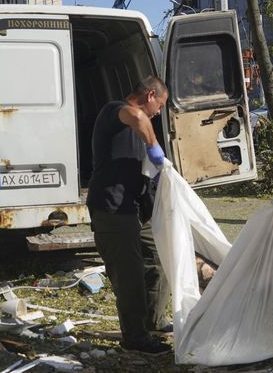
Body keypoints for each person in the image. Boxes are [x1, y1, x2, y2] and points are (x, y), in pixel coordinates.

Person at [86, 76, 173, 356]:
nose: (158, 112)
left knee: (160, 256)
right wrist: (154, 147)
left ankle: (154, 320)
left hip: (134, 207)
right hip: (111, 208)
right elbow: (135, 115)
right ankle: (135, 336)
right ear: (149, 95)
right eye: (159, 105)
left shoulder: (137, 124)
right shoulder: (114, 111)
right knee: (130, 275)